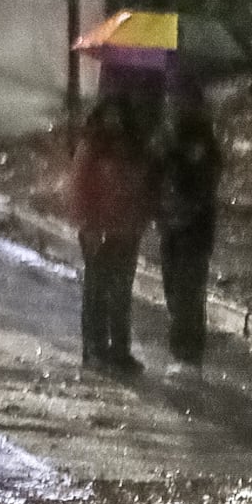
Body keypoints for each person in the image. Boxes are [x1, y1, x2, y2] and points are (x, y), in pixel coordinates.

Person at [67, 92, 159, 376]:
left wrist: (141, 218)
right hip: (97, 230)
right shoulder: (92, 145)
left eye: (119, 115)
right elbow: (80, 189)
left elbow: (145, 185)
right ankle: (94, 348)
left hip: (126, 230)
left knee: (120, 293)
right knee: (97, 290)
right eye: (110, 115)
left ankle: (120, 350)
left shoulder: (135, 146)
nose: (115, 121)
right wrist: (89, 225)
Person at [155, 96, 223, 372]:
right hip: (172, 230)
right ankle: (184, 350)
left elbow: (200, 190)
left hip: (191, 233)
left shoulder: (200, 148)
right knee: (175, 290)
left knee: (188, 293)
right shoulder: (171, 147)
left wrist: (176, 214)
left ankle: (187, 353)